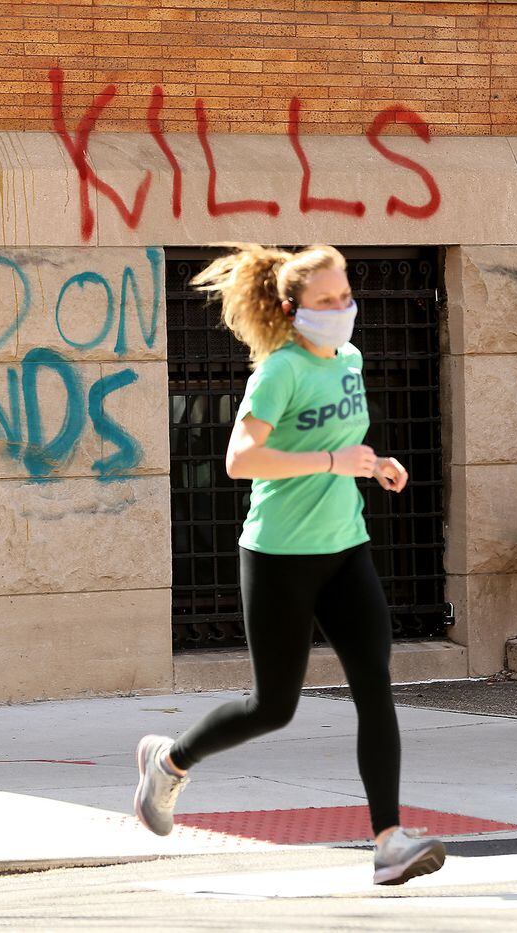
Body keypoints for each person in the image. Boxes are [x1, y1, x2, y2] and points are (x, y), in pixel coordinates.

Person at [133, 243, 446, 886]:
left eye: (346, 296)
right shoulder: (279, 372)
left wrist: (371, 463)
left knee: (374, 686)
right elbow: (240, 460)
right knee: (273, 707)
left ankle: (389, 842)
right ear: (290, 309)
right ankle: (170, 763)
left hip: (346, 548)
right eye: (325, 300)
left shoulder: (350, 360)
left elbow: (338, 441)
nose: (341, 308)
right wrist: (333, 463)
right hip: (279, 556)